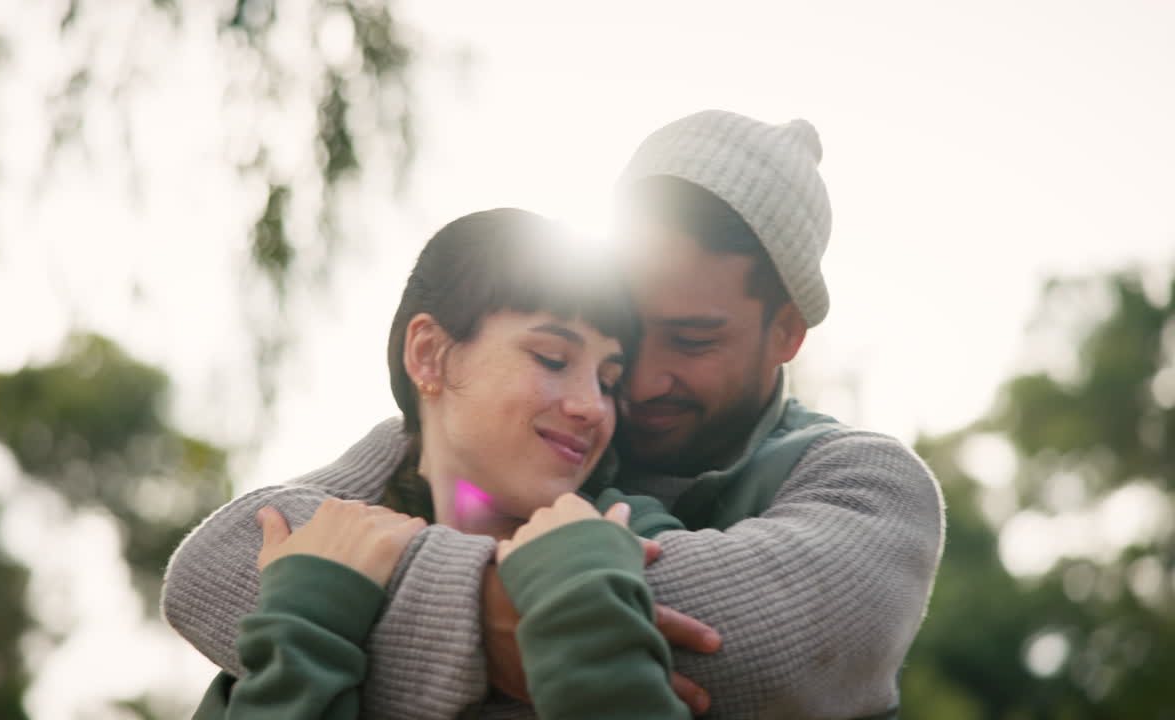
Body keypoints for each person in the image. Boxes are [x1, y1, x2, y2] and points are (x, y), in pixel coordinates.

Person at [163, 111, 945, 719]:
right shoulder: (542, 445)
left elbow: (756, 656)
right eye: (625, 333)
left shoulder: (865, 481)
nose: (632, 384)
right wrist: (513, 610)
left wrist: (346, 604)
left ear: (785, 334)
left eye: (694, 339)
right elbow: (213, 571)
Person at [179, 207, 695, 719]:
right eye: (553, 359)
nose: (591, 406)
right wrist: (305, 635)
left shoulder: (635, 534)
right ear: (428, 353)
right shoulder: (311, 576)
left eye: (608, 381)